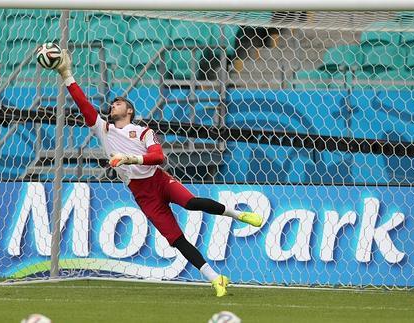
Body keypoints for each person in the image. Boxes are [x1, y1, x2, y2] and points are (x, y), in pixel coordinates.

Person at [53, 50, 263, 297]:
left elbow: (158, 157)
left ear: (129, 111)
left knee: (191, 203)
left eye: (119, 103)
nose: (113, 105)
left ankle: (239, 215)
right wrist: (67, 74)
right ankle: (215, 278)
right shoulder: (104, 129)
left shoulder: (143, 132)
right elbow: (83, 104)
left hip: (159, 180)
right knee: (176, 239)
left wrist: (130, 158)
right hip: (143, 194)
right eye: (112, 104)